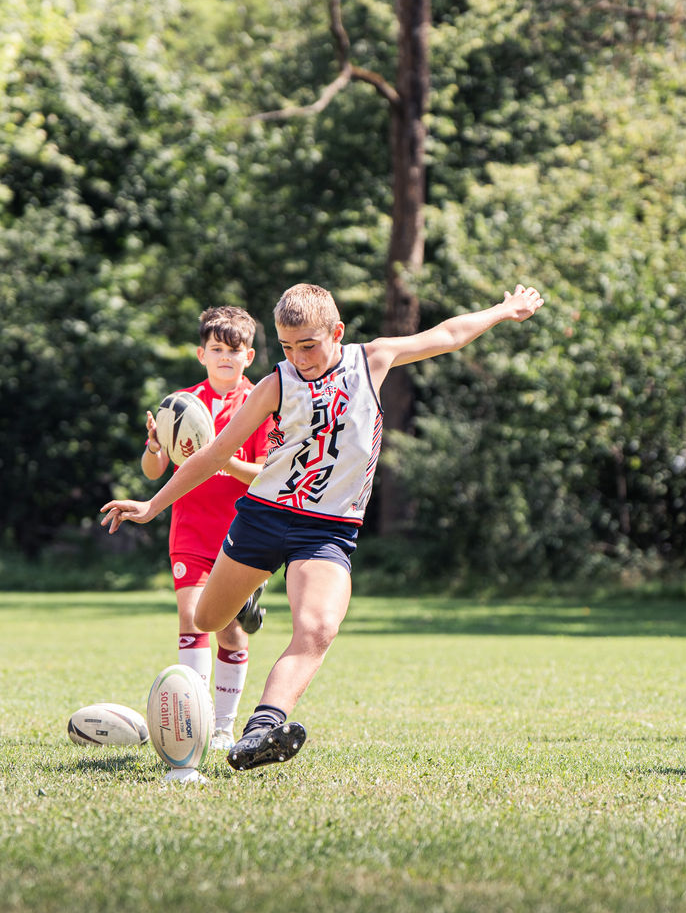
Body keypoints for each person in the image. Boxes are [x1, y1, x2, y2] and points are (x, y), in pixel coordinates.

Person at [103, 281, 545, 772]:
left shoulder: (372, 359)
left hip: (327, 530)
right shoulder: (276, 383)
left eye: (309, 345)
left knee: (318, 628)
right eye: (288, 347)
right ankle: (247, 597)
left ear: (337, 332)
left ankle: (260, 732)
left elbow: (448, 333)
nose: (300, 358)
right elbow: (215, 454)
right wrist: (152, 504)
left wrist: (504, 311)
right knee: (206, 621)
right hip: (264, 516)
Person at [141, 306, 273, 749]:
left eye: (233, 351)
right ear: (201, 354)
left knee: (230, 630)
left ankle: (223, 726)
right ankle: (194, 720)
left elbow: (266, 473)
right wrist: (157, 446)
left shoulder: (260, 404)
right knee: (192, 617)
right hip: (191, 529)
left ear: (249, 356)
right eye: (216, 349)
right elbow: (154, 470)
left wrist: (220, 457)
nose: (224, 357)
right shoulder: (180, 404)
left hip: (241, 530)